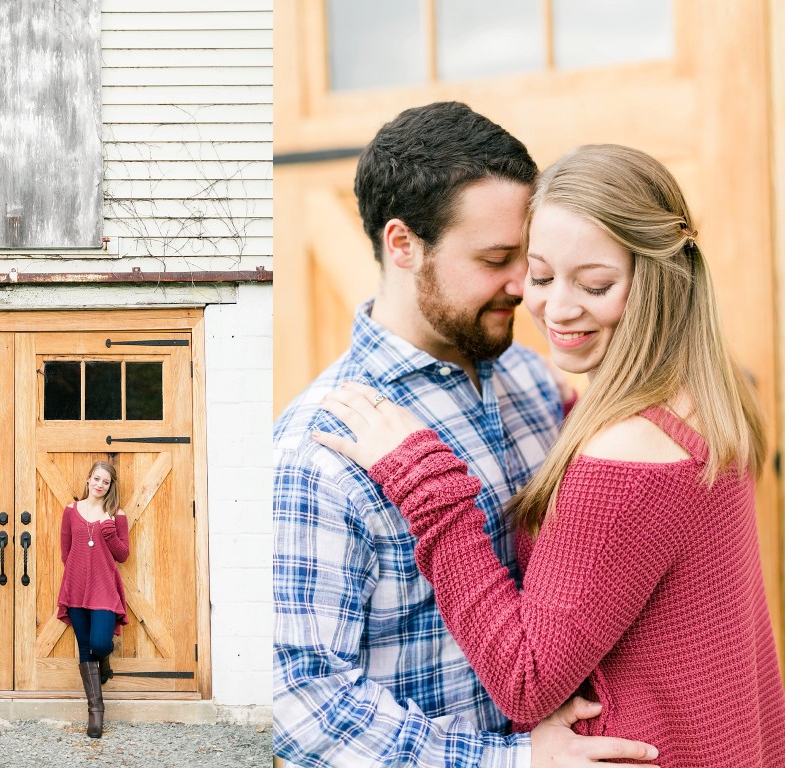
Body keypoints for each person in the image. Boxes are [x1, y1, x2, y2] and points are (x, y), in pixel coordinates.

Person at [316, 144, 785, 767]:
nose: (556, 309)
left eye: (594, 285)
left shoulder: (627, 454)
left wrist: (427, 486)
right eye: (539, 276)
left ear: (659, 280)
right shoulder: (708, 397)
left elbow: (528, 677)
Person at [274, 103, 659, 767]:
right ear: (403, 246)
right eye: (495, 259)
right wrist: (508, 761)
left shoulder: (535, 382)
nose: (526, 287)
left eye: (528, 258)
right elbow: (304, 705)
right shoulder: (321, 451)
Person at [57, 460, 129, 738]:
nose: (100, 485)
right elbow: (66, 551)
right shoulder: (70, 511)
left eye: (105, 482)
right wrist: (78, 572)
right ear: (88, 480)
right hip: (76, 588)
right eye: (96, 479)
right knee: (85, 648)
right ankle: (95, 714)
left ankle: (106, 662)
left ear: (110, 487)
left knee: (100, 643)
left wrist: (108, 532)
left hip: (104, 589)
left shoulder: (115, 514)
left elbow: (123, 555)